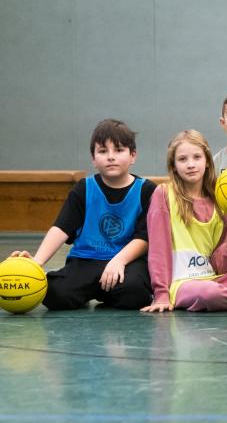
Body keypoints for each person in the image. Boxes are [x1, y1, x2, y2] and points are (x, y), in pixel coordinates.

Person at [9, 119, 155, 310]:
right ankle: (95, 291)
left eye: (119, 150)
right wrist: (37, 262)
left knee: (135, 293)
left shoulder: (147, 190)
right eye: (103, 151)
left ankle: (106, 292)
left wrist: (118, 260)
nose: (111, 157)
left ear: (133, 155)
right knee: (54, 294)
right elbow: (62, 227)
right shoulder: (84, 188)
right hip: (86, 260)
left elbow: (145, 237)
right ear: (93, 159)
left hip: (126, 262)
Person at [141, 131, 227, 313]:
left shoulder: (221, 198)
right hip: (183, 284)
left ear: (207, 161)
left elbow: (220, 266)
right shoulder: (164, 194)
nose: (190, 164)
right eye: (182, 159)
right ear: (173, 166)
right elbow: (158, 251)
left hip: (216, 277)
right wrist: (161, 294)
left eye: (197, 157)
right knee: (209, 294)